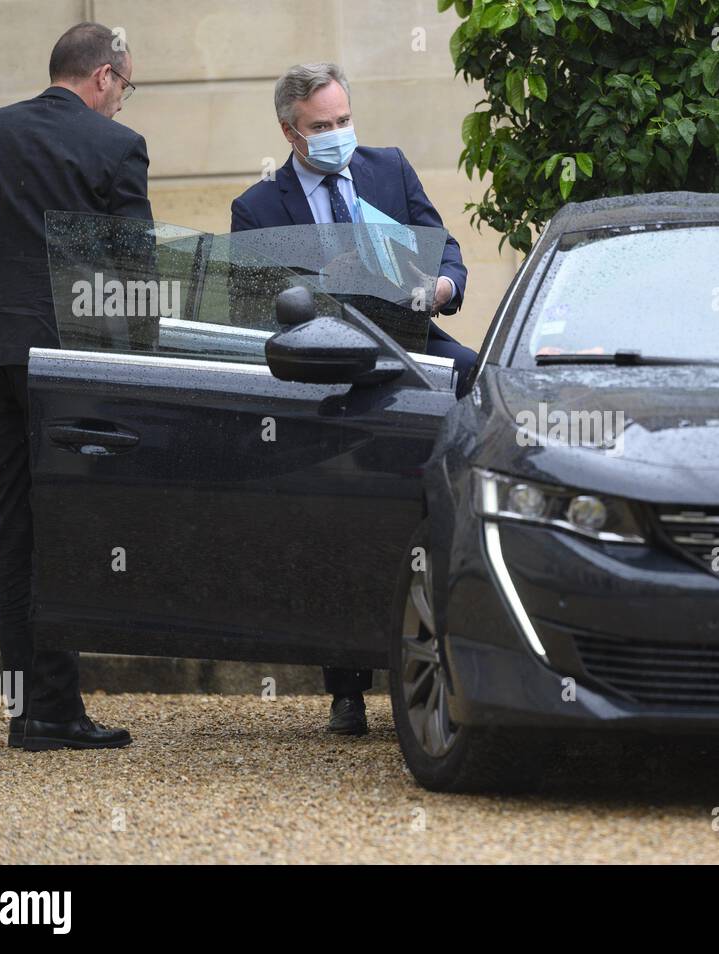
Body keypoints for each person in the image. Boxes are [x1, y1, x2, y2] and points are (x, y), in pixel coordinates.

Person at [0, 21, 151, 750]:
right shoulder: (116, 145)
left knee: (14, 526)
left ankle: (32, 710)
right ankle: (56, 708)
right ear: (104, 76)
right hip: (69, 363)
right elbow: (134, 273)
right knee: (70, 525)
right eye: (125, 86)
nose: (120, 101)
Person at [230, 63, 477, 737]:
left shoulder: (388, 168)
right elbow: (256, 309)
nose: (337, 134)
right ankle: (346, 692)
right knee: (335, 518)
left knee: (483, 390)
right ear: (289, 130)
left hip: (416, 342)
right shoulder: (257, 207)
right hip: (329, 368)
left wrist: (442, 287)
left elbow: (447, 250)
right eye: (321, 127)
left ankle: (459, 658)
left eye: (343, 121)